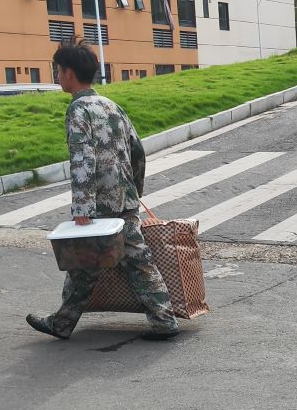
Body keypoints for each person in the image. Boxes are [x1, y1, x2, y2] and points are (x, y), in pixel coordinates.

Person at [26, 44, 181, 341]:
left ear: (69, 73)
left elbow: (83, 159)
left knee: (87, 260)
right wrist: (134, 189)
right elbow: (138, 150)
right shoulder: (111, 106)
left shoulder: (78, 109)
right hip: (123, 197)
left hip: (100, 203)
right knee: (127, 260)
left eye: (58, 71)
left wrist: (82, 208)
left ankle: (64, 323)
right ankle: (162, 320)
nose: (57, 76)